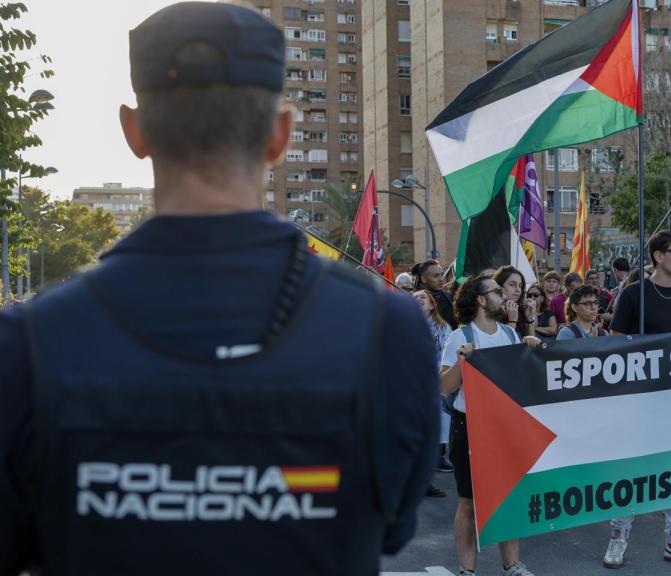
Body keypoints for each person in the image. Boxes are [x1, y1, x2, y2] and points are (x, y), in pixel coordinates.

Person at [0, 4, 438, 574]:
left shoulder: (26, 344)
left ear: (133, 131)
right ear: (280, 135)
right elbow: (391, 527)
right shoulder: (391, 330)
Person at [603, 231, 671, 569]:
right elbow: (616, 342)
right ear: (657, 256)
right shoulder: (635, 294)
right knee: (634, 470)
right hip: (640, 399)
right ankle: (618, 537)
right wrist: (657, 346)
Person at [440, 276, 542, 576]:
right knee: (470, 503)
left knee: (508, 499)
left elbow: (526, 377)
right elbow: (444, 387)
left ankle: (512, 566)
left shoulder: (510, 335)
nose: (505, 295)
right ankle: (467, 570)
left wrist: (531, 346)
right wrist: (461, 361)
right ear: (481, 300)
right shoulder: (460, 336)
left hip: (505, 427)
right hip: (469, 427)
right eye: (497, 291)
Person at [413, 289, 456, 488]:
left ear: (432, 305)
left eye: (422, 297)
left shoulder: (443, 328)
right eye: (414, 298)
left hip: (434, 379)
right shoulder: (404, 324)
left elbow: (445, 357)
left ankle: (437, 455)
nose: (418, 299)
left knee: (440, 417)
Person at [493, 265, 536, 338]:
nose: (518, 290)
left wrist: (530, 319)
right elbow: (503, 344)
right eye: (512, 285)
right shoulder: (491, 311)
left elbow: (532, 346)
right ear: (499, 286)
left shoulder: (520, 310)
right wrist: (512, 321)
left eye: (520, 286)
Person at [414, 260, 457, 329]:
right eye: (435, 276)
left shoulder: (448, 297)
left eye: (442, 275)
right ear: (423, 278)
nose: (441, 279)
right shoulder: (413, 300)